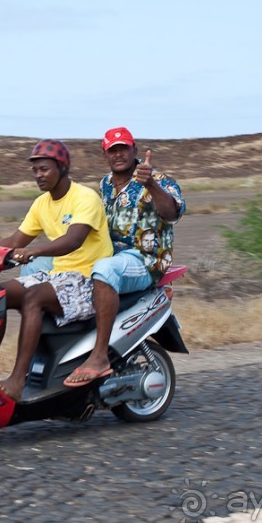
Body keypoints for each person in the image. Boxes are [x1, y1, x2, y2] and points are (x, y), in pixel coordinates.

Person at [0, 139, 113, 401]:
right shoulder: (41, 204)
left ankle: (17, 380)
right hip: (58, 276)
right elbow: (14, 241)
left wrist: (35, 252)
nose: (38, 175)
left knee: (34, 297)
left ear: (62, 167)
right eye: (35, 170)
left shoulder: (85, 198)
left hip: (88, 280)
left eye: (44, 169)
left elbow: (73, 240)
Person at [64, 127, 186, 386]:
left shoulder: (159, 179)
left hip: (145, 260)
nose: (118, 154)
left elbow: (172, 213)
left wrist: (150, 183)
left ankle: (99, 357)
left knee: (105, 270)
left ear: (135, 151)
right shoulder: (105, 184)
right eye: (113, 150)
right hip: (111, 255)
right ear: (105, 154)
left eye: (124, 148)